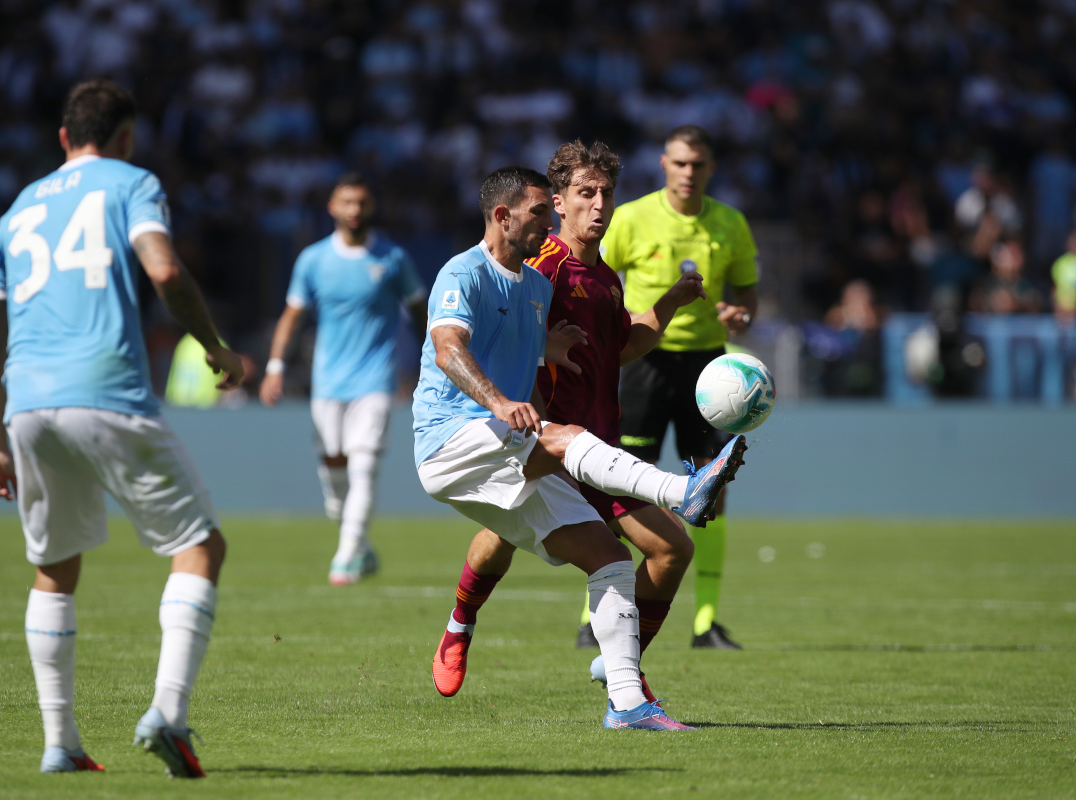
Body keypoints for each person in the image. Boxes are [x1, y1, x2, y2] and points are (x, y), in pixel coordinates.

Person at [0, 80, 245, 778]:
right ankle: (169, 715)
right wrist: (213, 344)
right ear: (124, 137)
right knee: (199, 547)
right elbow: (162, 267)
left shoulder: (15, 211)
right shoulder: (132, 181)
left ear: (63, 137)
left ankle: (60, 743)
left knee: (55, 570)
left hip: (26, 405)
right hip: (105, 390)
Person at [414, 165, 747, 730]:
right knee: (548, 467)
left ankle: (627, 702)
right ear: (505, 216)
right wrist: (501, 401)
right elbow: (449, 346)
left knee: (613, 560)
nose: (563, 218)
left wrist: (549, 348)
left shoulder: (544, 286)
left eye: (604, 194)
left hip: (529, 444)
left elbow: (583, 342)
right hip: (456, 438)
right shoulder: (465, 271)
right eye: (546, 210)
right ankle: (683, 491)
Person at [603, 125, 759, 650]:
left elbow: (747, 294)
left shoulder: (730, 223)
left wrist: (741, 313)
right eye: (680, 163)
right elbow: (597, 278)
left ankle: (705, 621)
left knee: (713, 493)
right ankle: (594, 612)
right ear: (664, 164)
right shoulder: (630, 218)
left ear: (710, 169)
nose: (689, 173)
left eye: (698, 164)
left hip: (709, 375)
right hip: (643, 365)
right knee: (618, 485)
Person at [259, 173, 427, 584]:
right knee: (334, 476)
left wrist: (430, 363)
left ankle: (346, 557)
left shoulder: (393, 259)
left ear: (372, 207)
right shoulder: (314, 260)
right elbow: (291, 317)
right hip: (328, 383)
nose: (355, 211)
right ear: (332, 207)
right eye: (347, 202)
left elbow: (422, 314)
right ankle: (360, 546)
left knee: (364, 466)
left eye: (362, 203)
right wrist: (275, 367)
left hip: (376, 379)